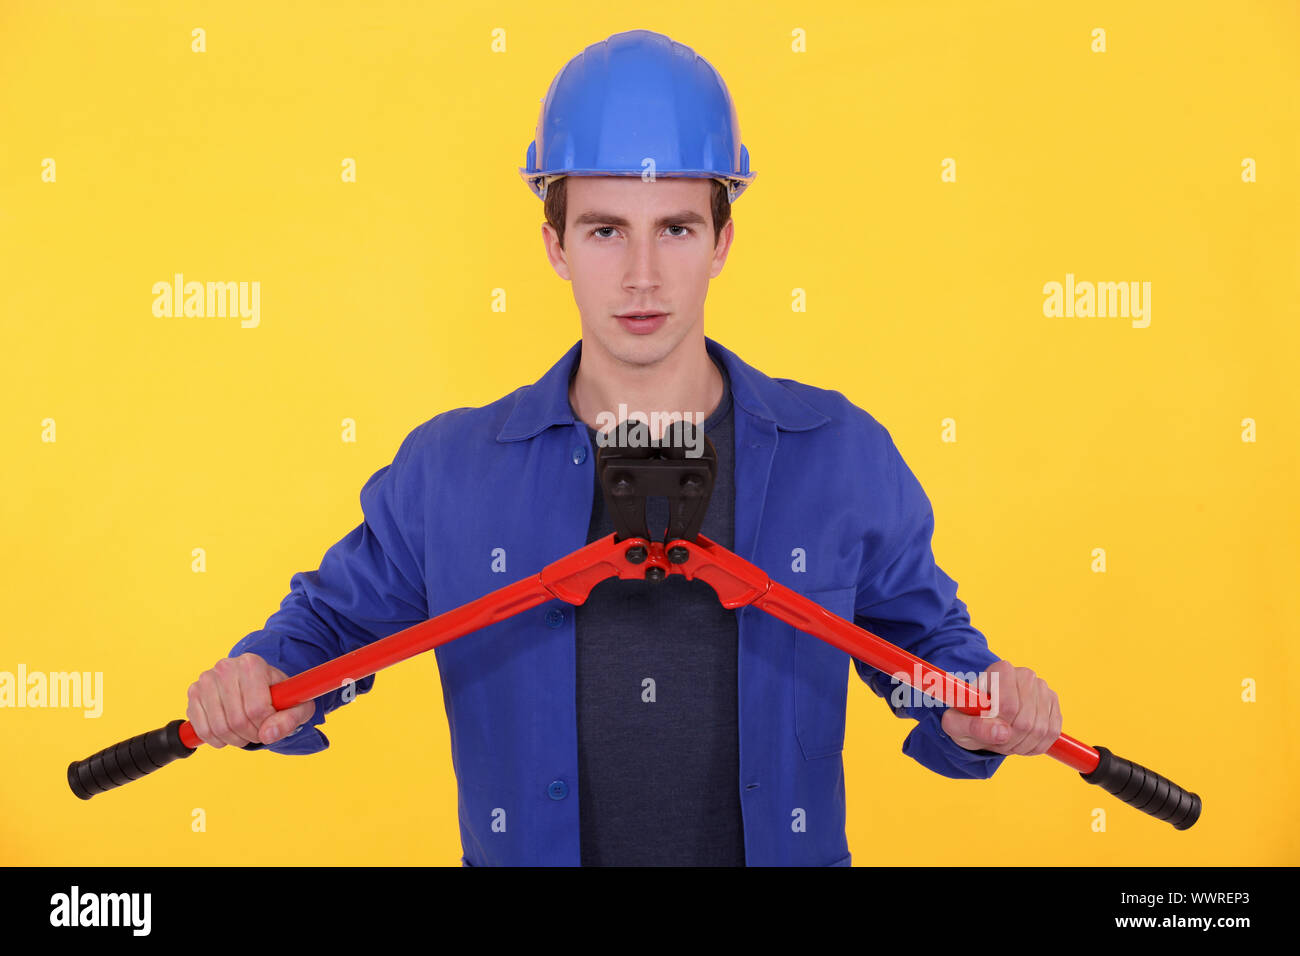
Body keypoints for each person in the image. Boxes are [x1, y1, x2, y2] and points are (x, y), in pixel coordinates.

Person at [185, 29, 1062, 866]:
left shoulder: (837, 455)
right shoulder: (449, 471)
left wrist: (973, 704)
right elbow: (329, 630)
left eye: (675, 228)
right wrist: (266, 678)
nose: (642, 275)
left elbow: (924, 649)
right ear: (555, 246)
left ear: (721, 240)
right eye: (605, 229)